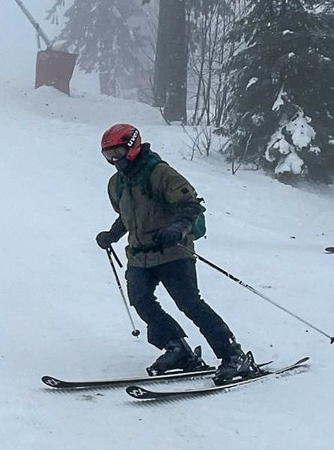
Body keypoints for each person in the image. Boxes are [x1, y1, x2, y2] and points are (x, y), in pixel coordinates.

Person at [95, 123, 258, 384]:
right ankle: (176, 348)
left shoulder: (160, 174)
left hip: (173, 252)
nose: (113, 160)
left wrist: (176, 229)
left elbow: (191, 206)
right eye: (108, 156)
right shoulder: (117, 184)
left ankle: (232, 355)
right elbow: (127, 216)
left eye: (116, 153)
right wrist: (111, 235)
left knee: (190, 304)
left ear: (133, 147)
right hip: (139, 256)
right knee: (141, 300)